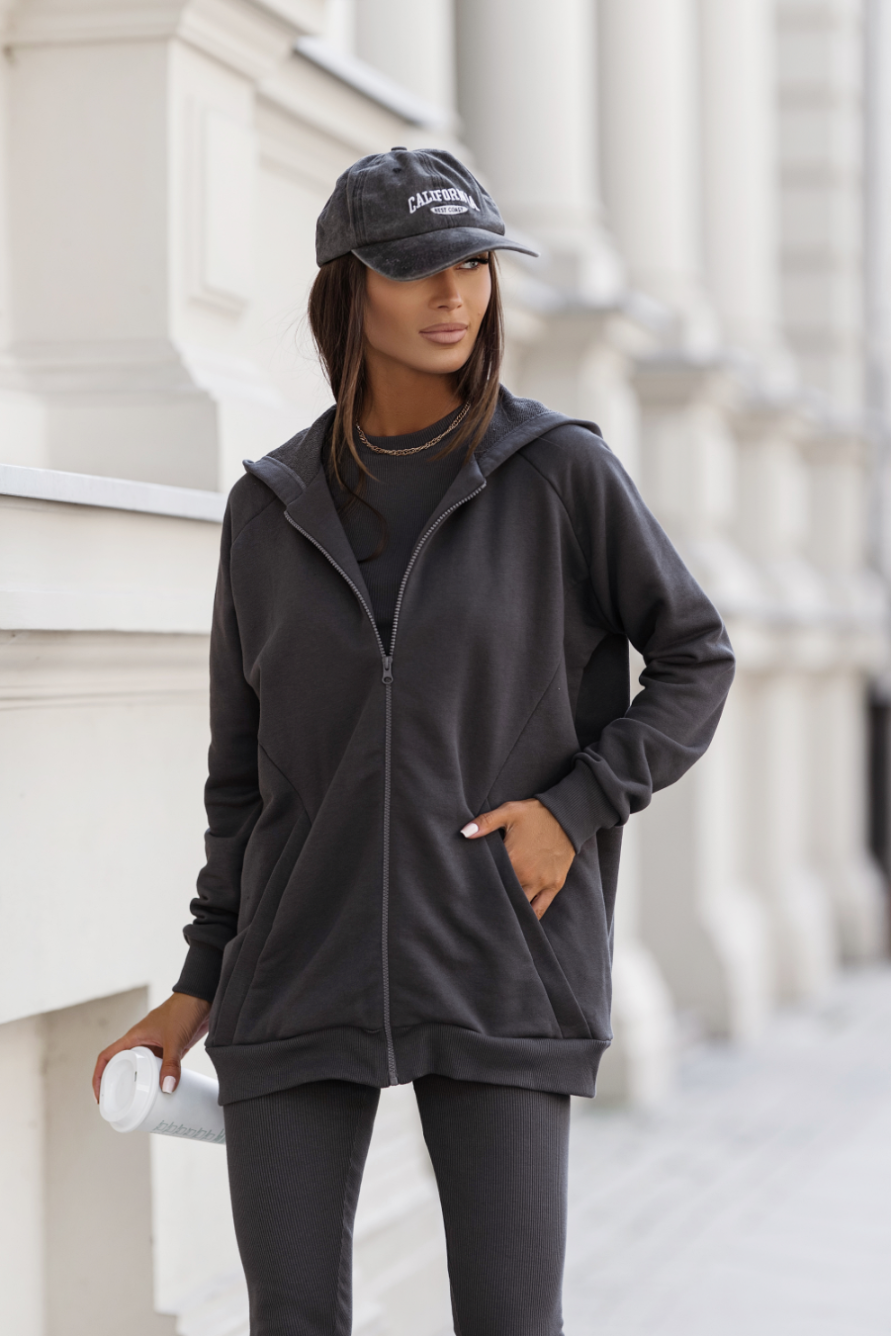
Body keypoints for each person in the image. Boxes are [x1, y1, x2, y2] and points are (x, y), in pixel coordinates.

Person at [93, 147, 736, 1336]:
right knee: (292, 1316)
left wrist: (577, 807)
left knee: (508, 1318)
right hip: (295, 963)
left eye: (475, 262)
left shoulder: (559, 472)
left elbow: (696, 655)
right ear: (349, 289)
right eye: (418, 268)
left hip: (500, 953)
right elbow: (242, 781)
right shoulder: (269, 508)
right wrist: (198, 984)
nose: (455, 293)